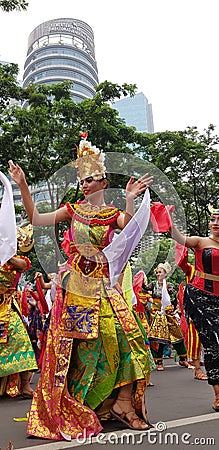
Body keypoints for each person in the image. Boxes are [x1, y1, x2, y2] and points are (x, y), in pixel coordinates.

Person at [8, 135, 154, 440]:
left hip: (104, 286)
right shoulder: (72, 210)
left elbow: (133, 230)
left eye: (90, 180)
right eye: (82, 180)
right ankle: (92, 403)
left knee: (132, 336)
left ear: (102, 182)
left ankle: (122, 404)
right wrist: (21, 183)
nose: (84, 185)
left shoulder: (112, 215)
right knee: (82, 348)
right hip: (75, 289)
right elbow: (35, 218)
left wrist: (129, 200)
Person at [170, 205, 219, 411]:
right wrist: (170, 219)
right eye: (213, 220)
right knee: (213, 342)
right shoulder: (201, 241)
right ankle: (218, 395)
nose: (215, 224)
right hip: (200, 296)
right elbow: (179, 238)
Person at [0, 244, 38, 398]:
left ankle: (25, 385)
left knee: (22, 341)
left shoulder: (14, 260)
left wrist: (5, 254)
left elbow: (24, 266)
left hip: (8, 308)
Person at [145, 262, 188, 371]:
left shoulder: (168, 285)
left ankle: (183, 358)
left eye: (160, 272)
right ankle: (159, 361)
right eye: (157, 272)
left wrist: (168, 290)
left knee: (177, 334)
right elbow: (144, 288)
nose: (157, 274)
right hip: (157, 313)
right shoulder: (153, 284)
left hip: (167, 312)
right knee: (159, 337)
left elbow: (171, 293)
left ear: (165, 274)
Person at [175, 244, 207, 381]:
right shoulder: (191, 270)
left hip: (212, 308)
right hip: (195, 310)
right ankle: (197, 370)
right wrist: (182, 244)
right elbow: (181, 262)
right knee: (195, 339)